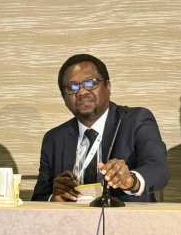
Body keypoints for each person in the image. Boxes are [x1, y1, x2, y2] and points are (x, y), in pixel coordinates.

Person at [33, 54, 169, 202]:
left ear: (108, 86)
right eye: (72, 87)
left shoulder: (135, 121)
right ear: (64, 98)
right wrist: (55, 198)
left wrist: (132, 181)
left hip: (125, 220)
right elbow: (39, 198)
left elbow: (158, 168)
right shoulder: (54, 139)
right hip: (71, 221)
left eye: (91, 83)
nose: (82, 92)